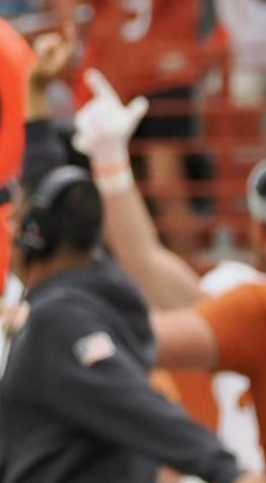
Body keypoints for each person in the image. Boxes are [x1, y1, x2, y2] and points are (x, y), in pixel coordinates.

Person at [0, 156, 257, 483]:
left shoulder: (60, 321)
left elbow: (133, 404)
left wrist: (228, 471)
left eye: (17, 223)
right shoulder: (90, 308)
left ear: (35, 237)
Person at [69, 67, 266, 469]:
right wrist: (110, 164)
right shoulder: (246, 300)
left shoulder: (252, 305)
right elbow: (145, 262)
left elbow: (135, 331)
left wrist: (57, 323)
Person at [50, 0, 211, 253]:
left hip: (166, 67)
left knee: (166, 183)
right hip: (107, 73)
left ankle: (187, 300)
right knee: (106, 186)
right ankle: (113, 292)